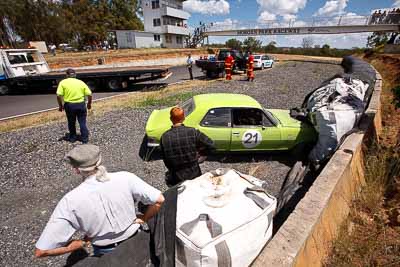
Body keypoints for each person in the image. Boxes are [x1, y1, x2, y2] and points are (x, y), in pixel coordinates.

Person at [35, 145, 165, 258]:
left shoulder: (70, 201)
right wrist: (144, 218)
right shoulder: (126, 177)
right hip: (136, 239)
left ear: (76, 170)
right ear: (100, 161)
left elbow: (41, 251)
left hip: (106, 252)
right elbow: (159, 199)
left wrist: (81, 243)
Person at [160, 107, 215, 187]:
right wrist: (201, 154)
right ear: (183, 118)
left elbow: (166, 159)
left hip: (176, 177)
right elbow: (211, 145)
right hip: (194, 175)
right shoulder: (192, 132)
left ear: (171, 119)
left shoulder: (164, 137)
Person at [57, 69, 92, 143]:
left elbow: (58, 95)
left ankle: (73, 138)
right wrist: (89, 104)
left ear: (67, 75)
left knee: (71, 122)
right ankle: (85, 139)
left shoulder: (63, 82)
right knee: (82, 122)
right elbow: (89, 94)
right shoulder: (80, 82)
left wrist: (60, 105)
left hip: (70, 105)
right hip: (81, 104)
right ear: (75, 75)